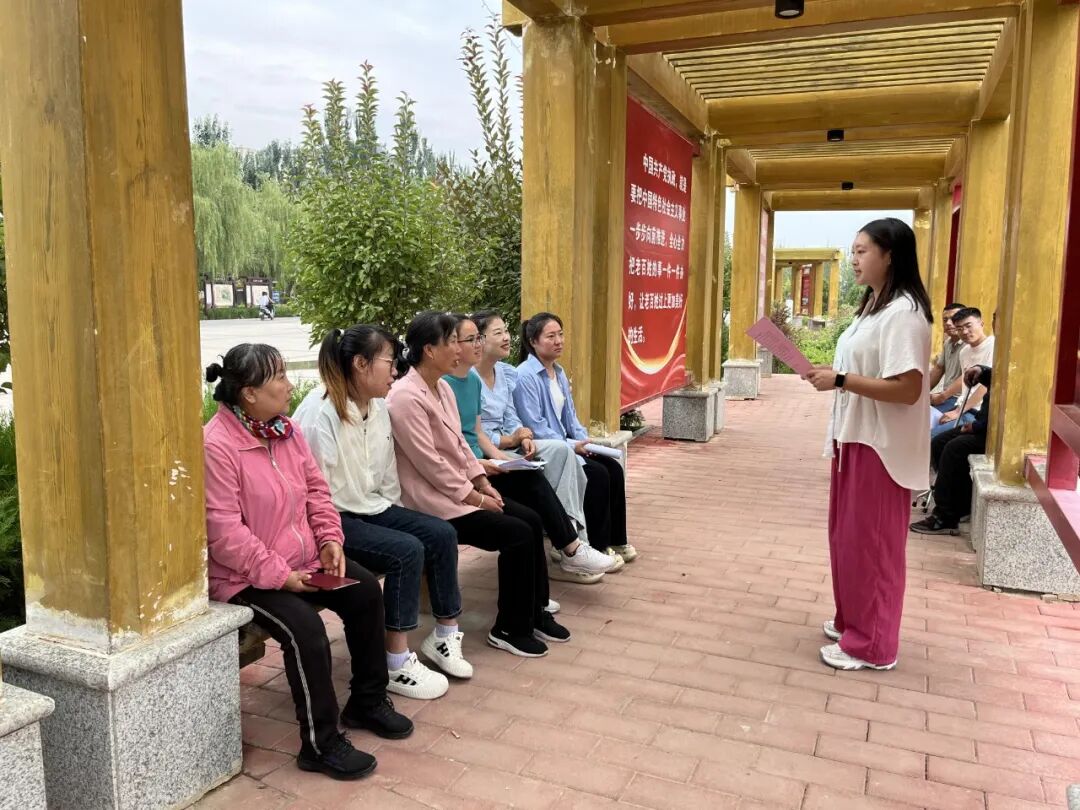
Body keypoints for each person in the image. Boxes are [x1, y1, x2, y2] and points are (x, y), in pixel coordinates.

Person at [203, 343, 412, 781]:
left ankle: (368, 701)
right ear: (249, 394)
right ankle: (320, 744)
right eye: (278, 377)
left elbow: (317, 491)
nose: (287, 385)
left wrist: (331, 539)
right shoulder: (217, 445)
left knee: (364, 594)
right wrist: (282, 577)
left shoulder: (286, 430)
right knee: (306, 631)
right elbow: (223, 533)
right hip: (246, 577)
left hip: (303, 559)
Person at [293, 325, 472, 702]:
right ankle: (396, 661)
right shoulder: (320, 413)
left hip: (372, 506)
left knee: (439, 533)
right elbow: (313, 494)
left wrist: (399, 517)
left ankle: (444, 636)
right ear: (361, 364)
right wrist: (332, 536)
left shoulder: (377, 406)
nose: (396, 370)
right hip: (333, 521)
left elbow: (388, 474)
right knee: (405, 551)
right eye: (389, 362)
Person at [386, 311, 570, 657]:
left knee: (531, 520)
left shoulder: (442, 387)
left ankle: (534, 612)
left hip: (460, 492)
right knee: (516, 533)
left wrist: (482, 481)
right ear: (429, 350)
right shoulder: (404, 397)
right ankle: (509, 629)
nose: (460, 349)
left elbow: (460, 443)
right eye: (453, 342)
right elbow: (431, 464)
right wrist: (474, 497)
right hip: (432, 503)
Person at [803, 218, 932, 672]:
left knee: (874, 547)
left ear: (890, 255)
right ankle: (853, 621)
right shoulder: (874, 307)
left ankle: (874, 644)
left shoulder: (905, 313)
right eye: (853, 251)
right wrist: (832, 373)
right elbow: (863, 371)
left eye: (862, 251)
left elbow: (907, 389)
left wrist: (841, 379)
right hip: (854, 437)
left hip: (880, 446)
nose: (854, 260)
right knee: (849, 541)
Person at [447, 312, 615, 584]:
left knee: (567, 457)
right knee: (541, 491)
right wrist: (500, 452)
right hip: (477, 461)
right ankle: (571, 547)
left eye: (504, 331)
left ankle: (575, 544)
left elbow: (501, 420)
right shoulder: (447, 384)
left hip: (498, 450)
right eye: (473, 339)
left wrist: (519, 439)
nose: (506, 337)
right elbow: (462, 440)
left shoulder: (500, 374)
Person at [513, 312, 638, 567]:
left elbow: (570, 417)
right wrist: (573, 446)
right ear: (533, 341)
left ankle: (616, 540)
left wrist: (584, 441)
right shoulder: (524, 376)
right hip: (547, 450)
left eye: (560, 334)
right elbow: (535, 426)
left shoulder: (558, 372)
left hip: (568, 444)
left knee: (613, 468)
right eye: (551, 336)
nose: (559, 341)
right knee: (597, 475)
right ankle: (595, 546)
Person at [912, 364, 992, 535]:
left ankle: (945, 516)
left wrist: (976, 426)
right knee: (939, 443)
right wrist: (982, 372)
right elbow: (997, 380)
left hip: (991, 430)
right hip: (983, 423)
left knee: (954, 449)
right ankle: (959, 505)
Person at [931, 306, 994, 439]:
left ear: (981, 324)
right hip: (961, 407)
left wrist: (958, 412)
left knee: (932, 437)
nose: (965, 332)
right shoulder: (964, 352)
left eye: (968, 326)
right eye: (959, 328)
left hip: (976, 412)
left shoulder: (993, 346)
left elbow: (985, 387)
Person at [928, 302, 966, 411]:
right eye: (945, 320)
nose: (948, 323)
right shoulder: (948, 343)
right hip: (947, 397)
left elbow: (966, 376)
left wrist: (942, 397)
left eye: (953, 319)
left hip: (960, 399)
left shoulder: (969, 344)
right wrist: (922, 393)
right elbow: (939, 368)